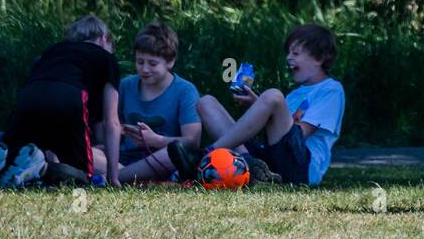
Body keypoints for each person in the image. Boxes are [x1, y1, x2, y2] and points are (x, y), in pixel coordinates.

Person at [170, 24, 344, 186]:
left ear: (319, 58)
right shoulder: (296, 94)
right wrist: (259, 106)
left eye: (296, 53)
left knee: (273, 96)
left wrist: (269, 107)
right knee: (206, 102)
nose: (289, 58)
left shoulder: (331, 90)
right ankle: (249, 164)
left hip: (301, 169)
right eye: (288, 53)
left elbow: (299, 135)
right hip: (272, 159)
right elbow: (277, 134)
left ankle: (203, 157)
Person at [0, 14, 122, 188]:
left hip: (29, 97)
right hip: (69, 96)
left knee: (11, 154)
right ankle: (45, 172)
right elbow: (111, 122)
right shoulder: (106, 58)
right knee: (82, 177)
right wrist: (113, 177)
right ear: (104, 39)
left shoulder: (53, 51)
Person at [92, 23, 201, 183]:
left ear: (170, 62)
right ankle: (131, 177)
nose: (144, 69)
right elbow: (111, 124)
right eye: (140, 62)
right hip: (126, 156)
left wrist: (155, 140)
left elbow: (192, 141)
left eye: (152, 63)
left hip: (161, 155)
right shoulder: (125, 85)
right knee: (90, 153)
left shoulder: (185, 91)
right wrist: (117, 134)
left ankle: (114, 178)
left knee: (171, 155)